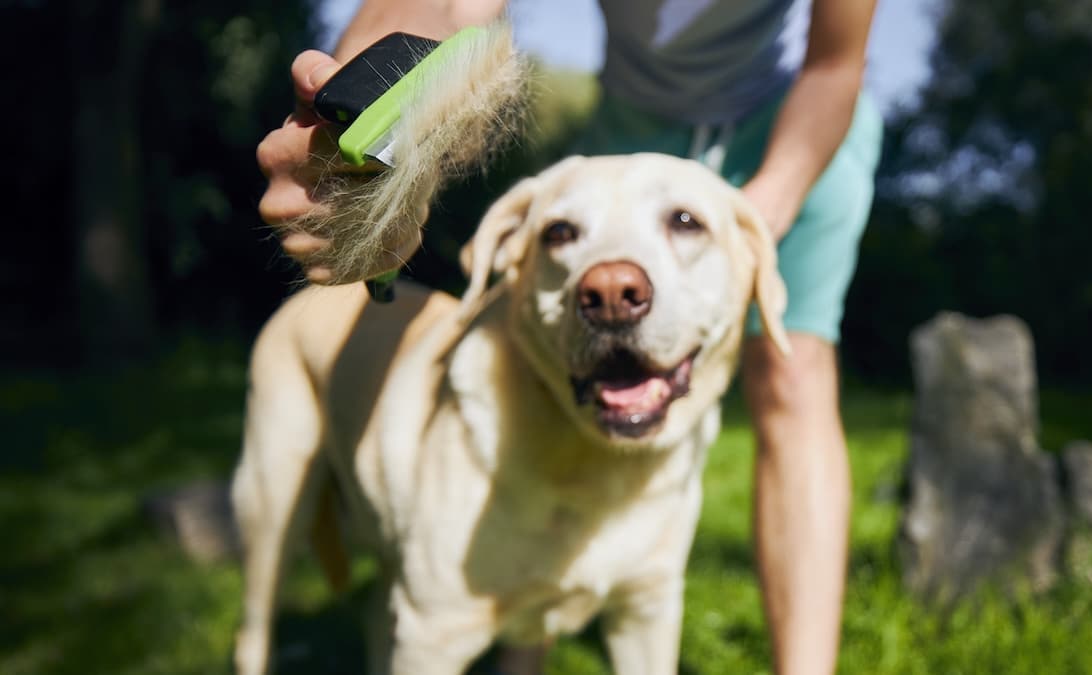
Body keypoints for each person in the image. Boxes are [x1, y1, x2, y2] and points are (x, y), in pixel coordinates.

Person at [256, 1, 881, 673]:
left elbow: (835, 63)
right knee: (558, 361)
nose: (611, 290)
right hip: (633, 117)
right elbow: (448, 8)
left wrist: (747, 227)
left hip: (793, 114)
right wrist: (364, 135)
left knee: (795, 372)